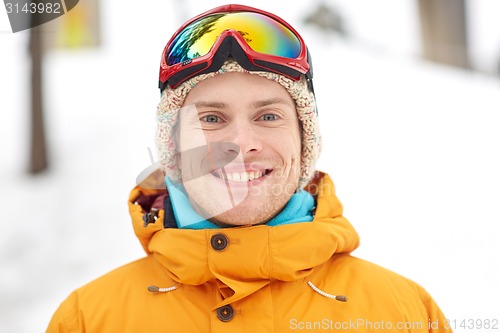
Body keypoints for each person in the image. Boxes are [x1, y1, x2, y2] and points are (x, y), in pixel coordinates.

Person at [47, 4, 452, 332]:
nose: (241, 143)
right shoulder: (89, 320)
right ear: (173, 146)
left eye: (268, 117)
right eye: (211, 119)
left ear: (304, 140)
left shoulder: (405, 315)